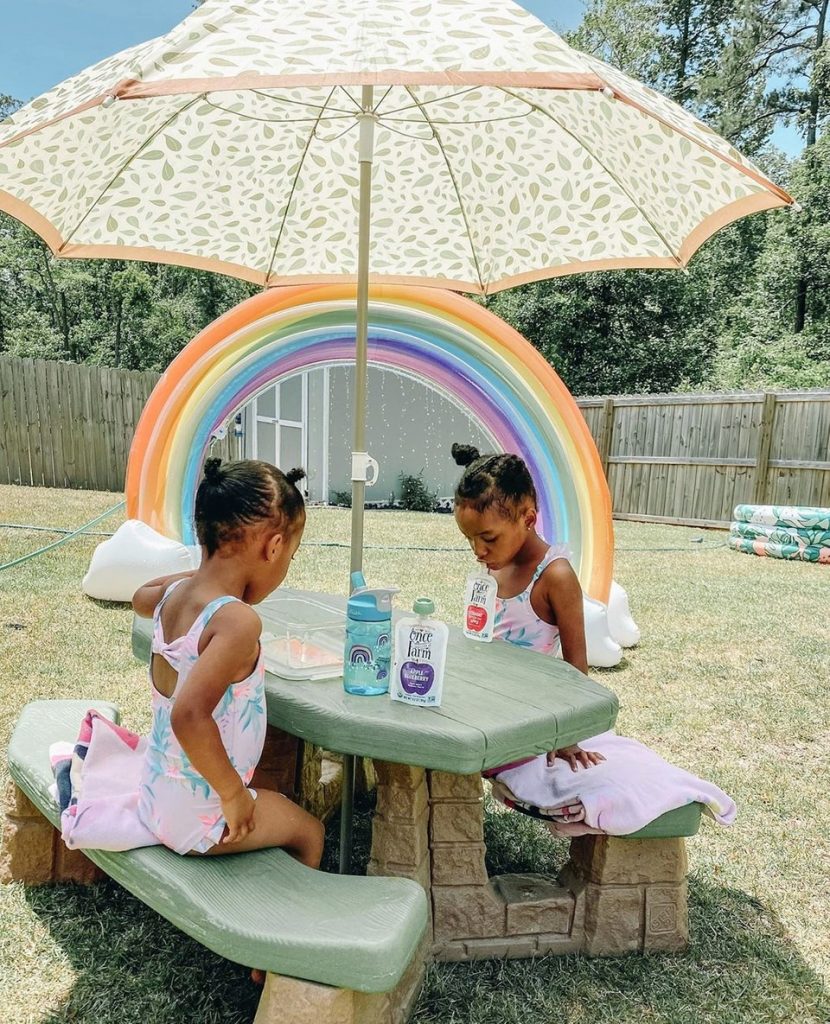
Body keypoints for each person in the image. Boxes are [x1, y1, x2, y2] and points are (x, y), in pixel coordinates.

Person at [132, 457, 325, 866]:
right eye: (290, 557)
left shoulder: (172, 597)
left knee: (275, 804)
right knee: (310, 831)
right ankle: (293, 918)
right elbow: (188, 715)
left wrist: (205, 571)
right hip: (203, 817)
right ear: (274, 547)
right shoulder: (237, 622)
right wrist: (234, 795)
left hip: (156, 796)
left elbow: (140, 594)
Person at [451, 442, 604, 774]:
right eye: (470, 539)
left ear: (529, 519)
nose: (478, 550)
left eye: (488, 538)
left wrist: (567, 737)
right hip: (483, 700)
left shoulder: (555, 576)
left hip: (525, 712)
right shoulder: (494, 565)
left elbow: (576, 668)